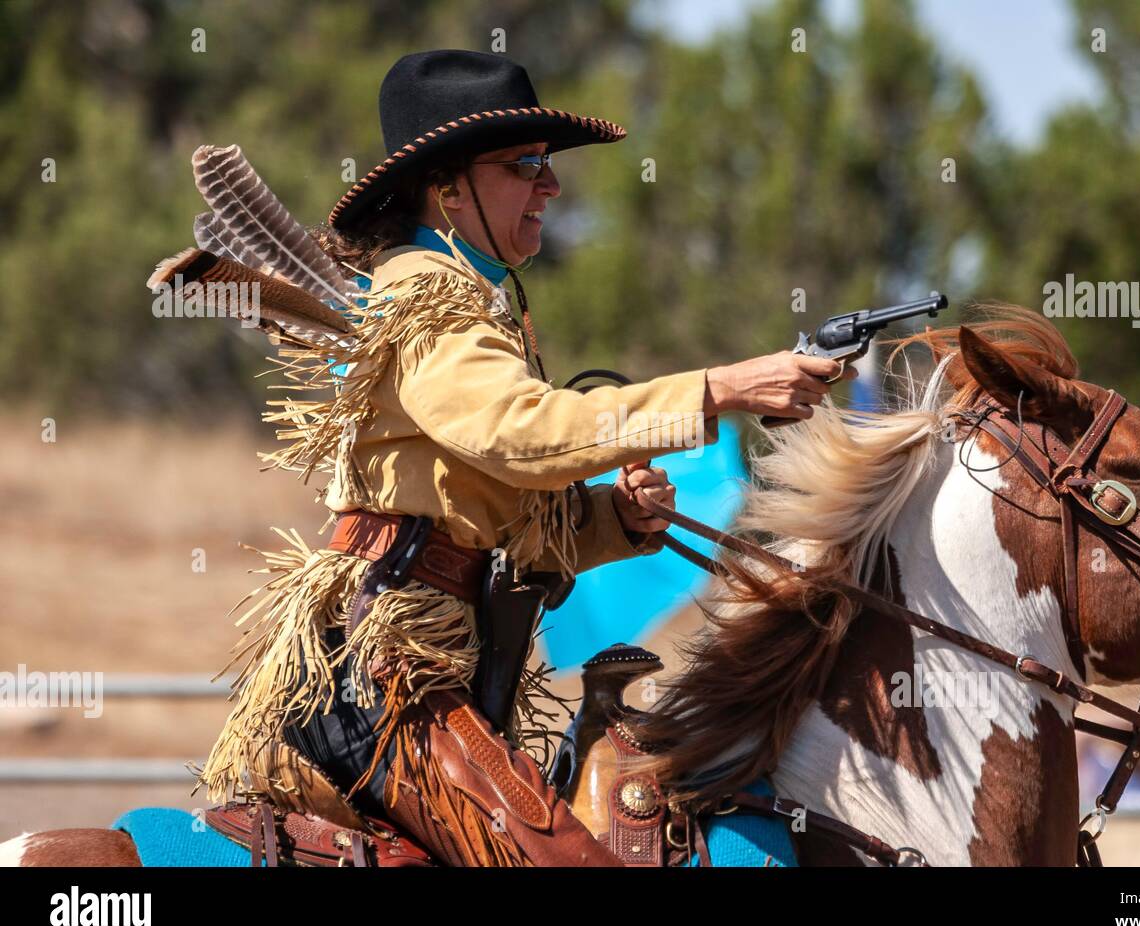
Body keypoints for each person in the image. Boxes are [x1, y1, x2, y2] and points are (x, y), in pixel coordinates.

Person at [197, 49, 851, 866]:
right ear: (447, 189)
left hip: (425, 668)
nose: (551, 186)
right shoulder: (427, 296)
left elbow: (508, 514)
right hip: (388, 676)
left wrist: (619, 518)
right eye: (526, 165)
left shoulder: (467, 299)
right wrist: (718, 388)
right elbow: (519, 432)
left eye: (546, 166)